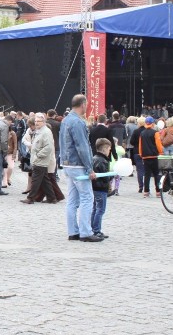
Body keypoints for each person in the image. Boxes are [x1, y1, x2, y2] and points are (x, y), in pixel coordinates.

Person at [59, 94, 102, 242]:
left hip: (67, 164)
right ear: (83, 104)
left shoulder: (65, 120)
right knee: (87, 198)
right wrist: (90, 168)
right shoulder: (78, 122)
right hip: (78, 165)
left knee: (72, 200)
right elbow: (82, 146)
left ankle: (73, 232)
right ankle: (85, 232)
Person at [22, 113, 57, 204]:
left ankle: (30, 198)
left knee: (36, 180)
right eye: (36, 121)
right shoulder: (40, 131)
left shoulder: (46, 132)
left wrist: (38, 155)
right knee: (45, 181)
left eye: (39, 121)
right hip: (38, 159)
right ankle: (52, 198)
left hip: (40, 160)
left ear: (44, 122)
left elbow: (48, 147)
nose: (36, 123)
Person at [90, 138, 112, 239]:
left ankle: (93, 228)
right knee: (100, 210)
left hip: (94, 187)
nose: (109, 152)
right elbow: (104, 177)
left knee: (95, 208)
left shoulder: (94, 158)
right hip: (101, 188)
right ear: (105, 149)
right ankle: (96, 230)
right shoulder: (103, 161)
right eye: (109, 149)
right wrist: (112, 175)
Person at [138, 116, 163, 197]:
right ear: (152, 124)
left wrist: (141, 154)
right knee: (156, 174)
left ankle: (146, 191)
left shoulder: (142, 133)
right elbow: (158, 144)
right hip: (154, 156)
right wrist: (160, 152)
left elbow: (140, 145)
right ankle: (158, 192)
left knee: (147, 174)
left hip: (145, 156)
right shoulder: (155, 133)